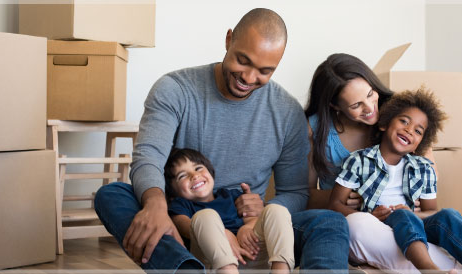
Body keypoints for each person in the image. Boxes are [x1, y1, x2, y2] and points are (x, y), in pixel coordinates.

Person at [94, 8, 349, 272]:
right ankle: (185, 267)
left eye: (264, 71)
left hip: (252, 234)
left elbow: (295, 192)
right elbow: (148, 157)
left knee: (329, 222)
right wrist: (156, 205)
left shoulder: (287, 112)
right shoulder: (175, 89)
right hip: (187, 224)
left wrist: (262, 210)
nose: (249, 78)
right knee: (112, 195)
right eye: (243, 60)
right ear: (228, 40)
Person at [304, 53, 462, 272]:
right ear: (335, 105)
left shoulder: (402, 113)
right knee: (357, 226)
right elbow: (309, 195)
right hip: (370, 227)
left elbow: (430, 200)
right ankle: (446, 264)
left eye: (371, 94)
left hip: (415, 226)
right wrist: (354, 197)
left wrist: (418, 210)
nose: (371, 107)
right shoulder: (331, 141)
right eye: (356, 105)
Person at [329, 89, 462, 273]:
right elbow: (334, 204)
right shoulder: (359, 160)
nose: (409, 130)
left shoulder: (423, 168)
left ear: (420, 143)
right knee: (358, 224)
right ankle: (433, 268)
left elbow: (431, 212)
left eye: (418, 131)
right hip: (380, 229)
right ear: (384, 124)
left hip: (416, 231)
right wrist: (371, 215)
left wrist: (411, 213)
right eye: (403, 121)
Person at [165, 148, 294, 274]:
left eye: (198, 168)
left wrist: (247, 227)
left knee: (276, 210)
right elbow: (185, 227)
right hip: (214, 262)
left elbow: (251, 216)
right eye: (183, 176)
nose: (194, 176)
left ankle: (281, 270)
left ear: (210, 172)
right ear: (173, 192)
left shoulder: (229, 195)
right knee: (204, 216)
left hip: (250, 253)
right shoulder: (181, 205)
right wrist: (223, 233)